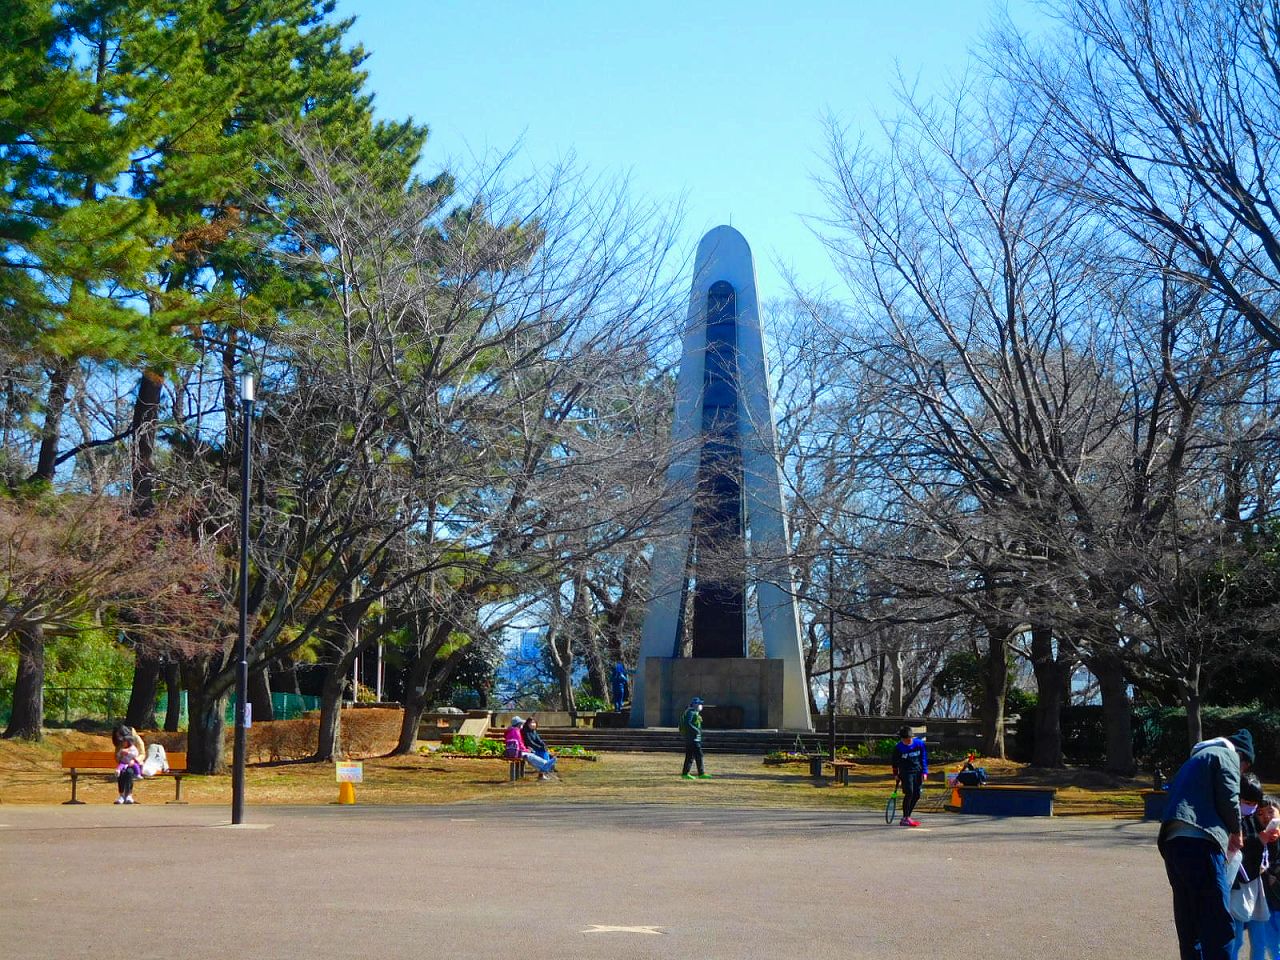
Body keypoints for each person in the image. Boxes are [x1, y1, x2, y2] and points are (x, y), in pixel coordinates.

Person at [1160, 728, 1256, 960]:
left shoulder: (1194, 760)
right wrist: (1236, 830)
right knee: (1217, 922)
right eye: (1244, 769)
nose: (1242, 773)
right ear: (1242, 756)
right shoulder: (1226, 755)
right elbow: (1229, 795)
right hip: (1201, 840)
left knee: (1189, 921)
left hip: (1173, 840)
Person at [1230, 776, 1279, 960]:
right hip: (1236, 887)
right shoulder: (1230, 819)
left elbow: (1266, 859)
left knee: (1260, 941)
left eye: (1254, 804)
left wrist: (1272, 841)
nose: (1251, 807)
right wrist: (1259, 841)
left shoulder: (1253, 820)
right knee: (1235, 941)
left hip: (1257, 890)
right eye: (1247, 802)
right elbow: (1237, 852)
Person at [891, 725, 928, 828]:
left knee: (917, 795)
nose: (909, 741)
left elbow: (923, 757)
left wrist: (925, 772)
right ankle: (905, 817)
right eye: (906, 740)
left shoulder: (919, 744)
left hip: (917, 771)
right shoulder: (898, 748)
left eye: (910, 739)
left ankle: (907, 817)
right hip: (906, 773)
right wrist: (895, 775)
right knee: (909, 792)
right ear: (902, 739)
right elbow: (894, 763)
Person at [111, 725, 146, 805]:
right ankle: (121, 795)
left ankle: (129, 795)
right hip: (124, 763)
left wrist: (134, 760)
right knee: (121, 773)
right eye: (117, 736)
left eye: (119, 735)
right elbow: (117, 756)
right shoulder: (120, 742)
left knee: (129, 772)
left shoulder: (136, 739)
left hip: (135, 764)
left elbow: (142, 753)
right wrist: (121, 756)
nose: (118, 738)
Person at [679, 697, 709, 779]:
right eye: (700, 704)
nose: (701, 706)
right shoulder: (691, 712)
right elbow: (687, 723)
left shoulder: (694, 712)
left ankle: (685, 774)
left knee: (690, 756)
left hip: (693, 738)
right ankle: (701, 773)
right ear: (695, 704)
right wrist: (696, 730)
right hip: (693, 739)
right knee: (699, 755)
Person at [522, 716, 558, 781]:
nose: (533, 724)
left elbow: (539, 740)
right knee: (543, 753)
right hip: (528, 748)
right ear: (527, 724)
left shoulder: (534, 731)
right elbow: (529, 742)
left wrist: (544, 745)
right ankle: (544, 770)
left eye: (534, 722)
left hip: (535, 748)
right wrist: (539, 747)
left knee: (545, 752)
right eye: (531, 723)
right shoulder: (526, 731)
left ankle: (545, 769)